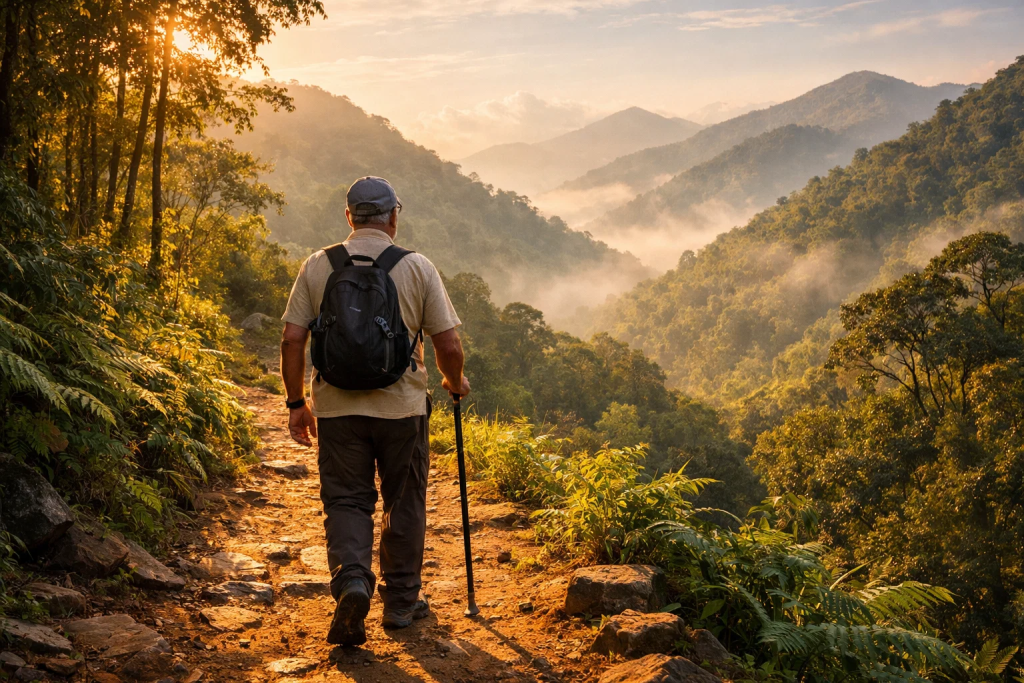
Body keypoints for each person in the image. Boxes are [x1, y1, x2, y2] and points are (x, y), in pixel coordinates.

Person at [279, 176, 470, 646]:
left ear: (349, 216)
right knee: (404, 500)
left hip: (336, 408)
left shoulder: (318, 265)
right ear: (393, 218)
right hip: (402, 409)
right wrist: (452, 380)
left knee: (346, 499)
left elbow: (291, 340)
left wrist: (296, 404)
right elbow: (448, 343)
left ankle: (353, 582)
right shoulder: (417, 267)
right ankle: (401, 603)